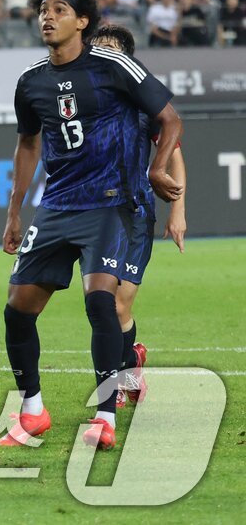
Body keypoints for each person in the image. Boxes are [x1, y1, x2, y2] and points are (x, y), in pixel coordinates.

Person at [0, 0, 182, 451]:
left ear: (83, 21)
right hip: (57, 205)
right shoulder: (30, 80)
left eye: (59, 10)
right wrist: (14, 212)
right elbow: (27, 144)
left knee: (102, 302)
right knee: (17, 309)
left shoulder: (113, 65)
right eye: (43, 10)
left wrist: (157, 169)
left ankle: (105, 415)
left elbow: (171, 119)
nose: (47, 17)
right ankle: (33, 411)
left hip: (109, 201)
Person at [88, 25, 187, 408]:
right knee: (103, 303)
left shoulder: (146, 101)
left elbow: (174, 157)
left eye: (112, 49)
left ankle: (117, 382)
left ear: (128, 58)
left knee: (118, 305)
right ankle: (131, 365)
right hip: (94, 210)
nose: (104, 56)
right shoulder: (85, 98)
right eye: (99, 49)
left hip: (135, 211)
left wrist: (176, 211)